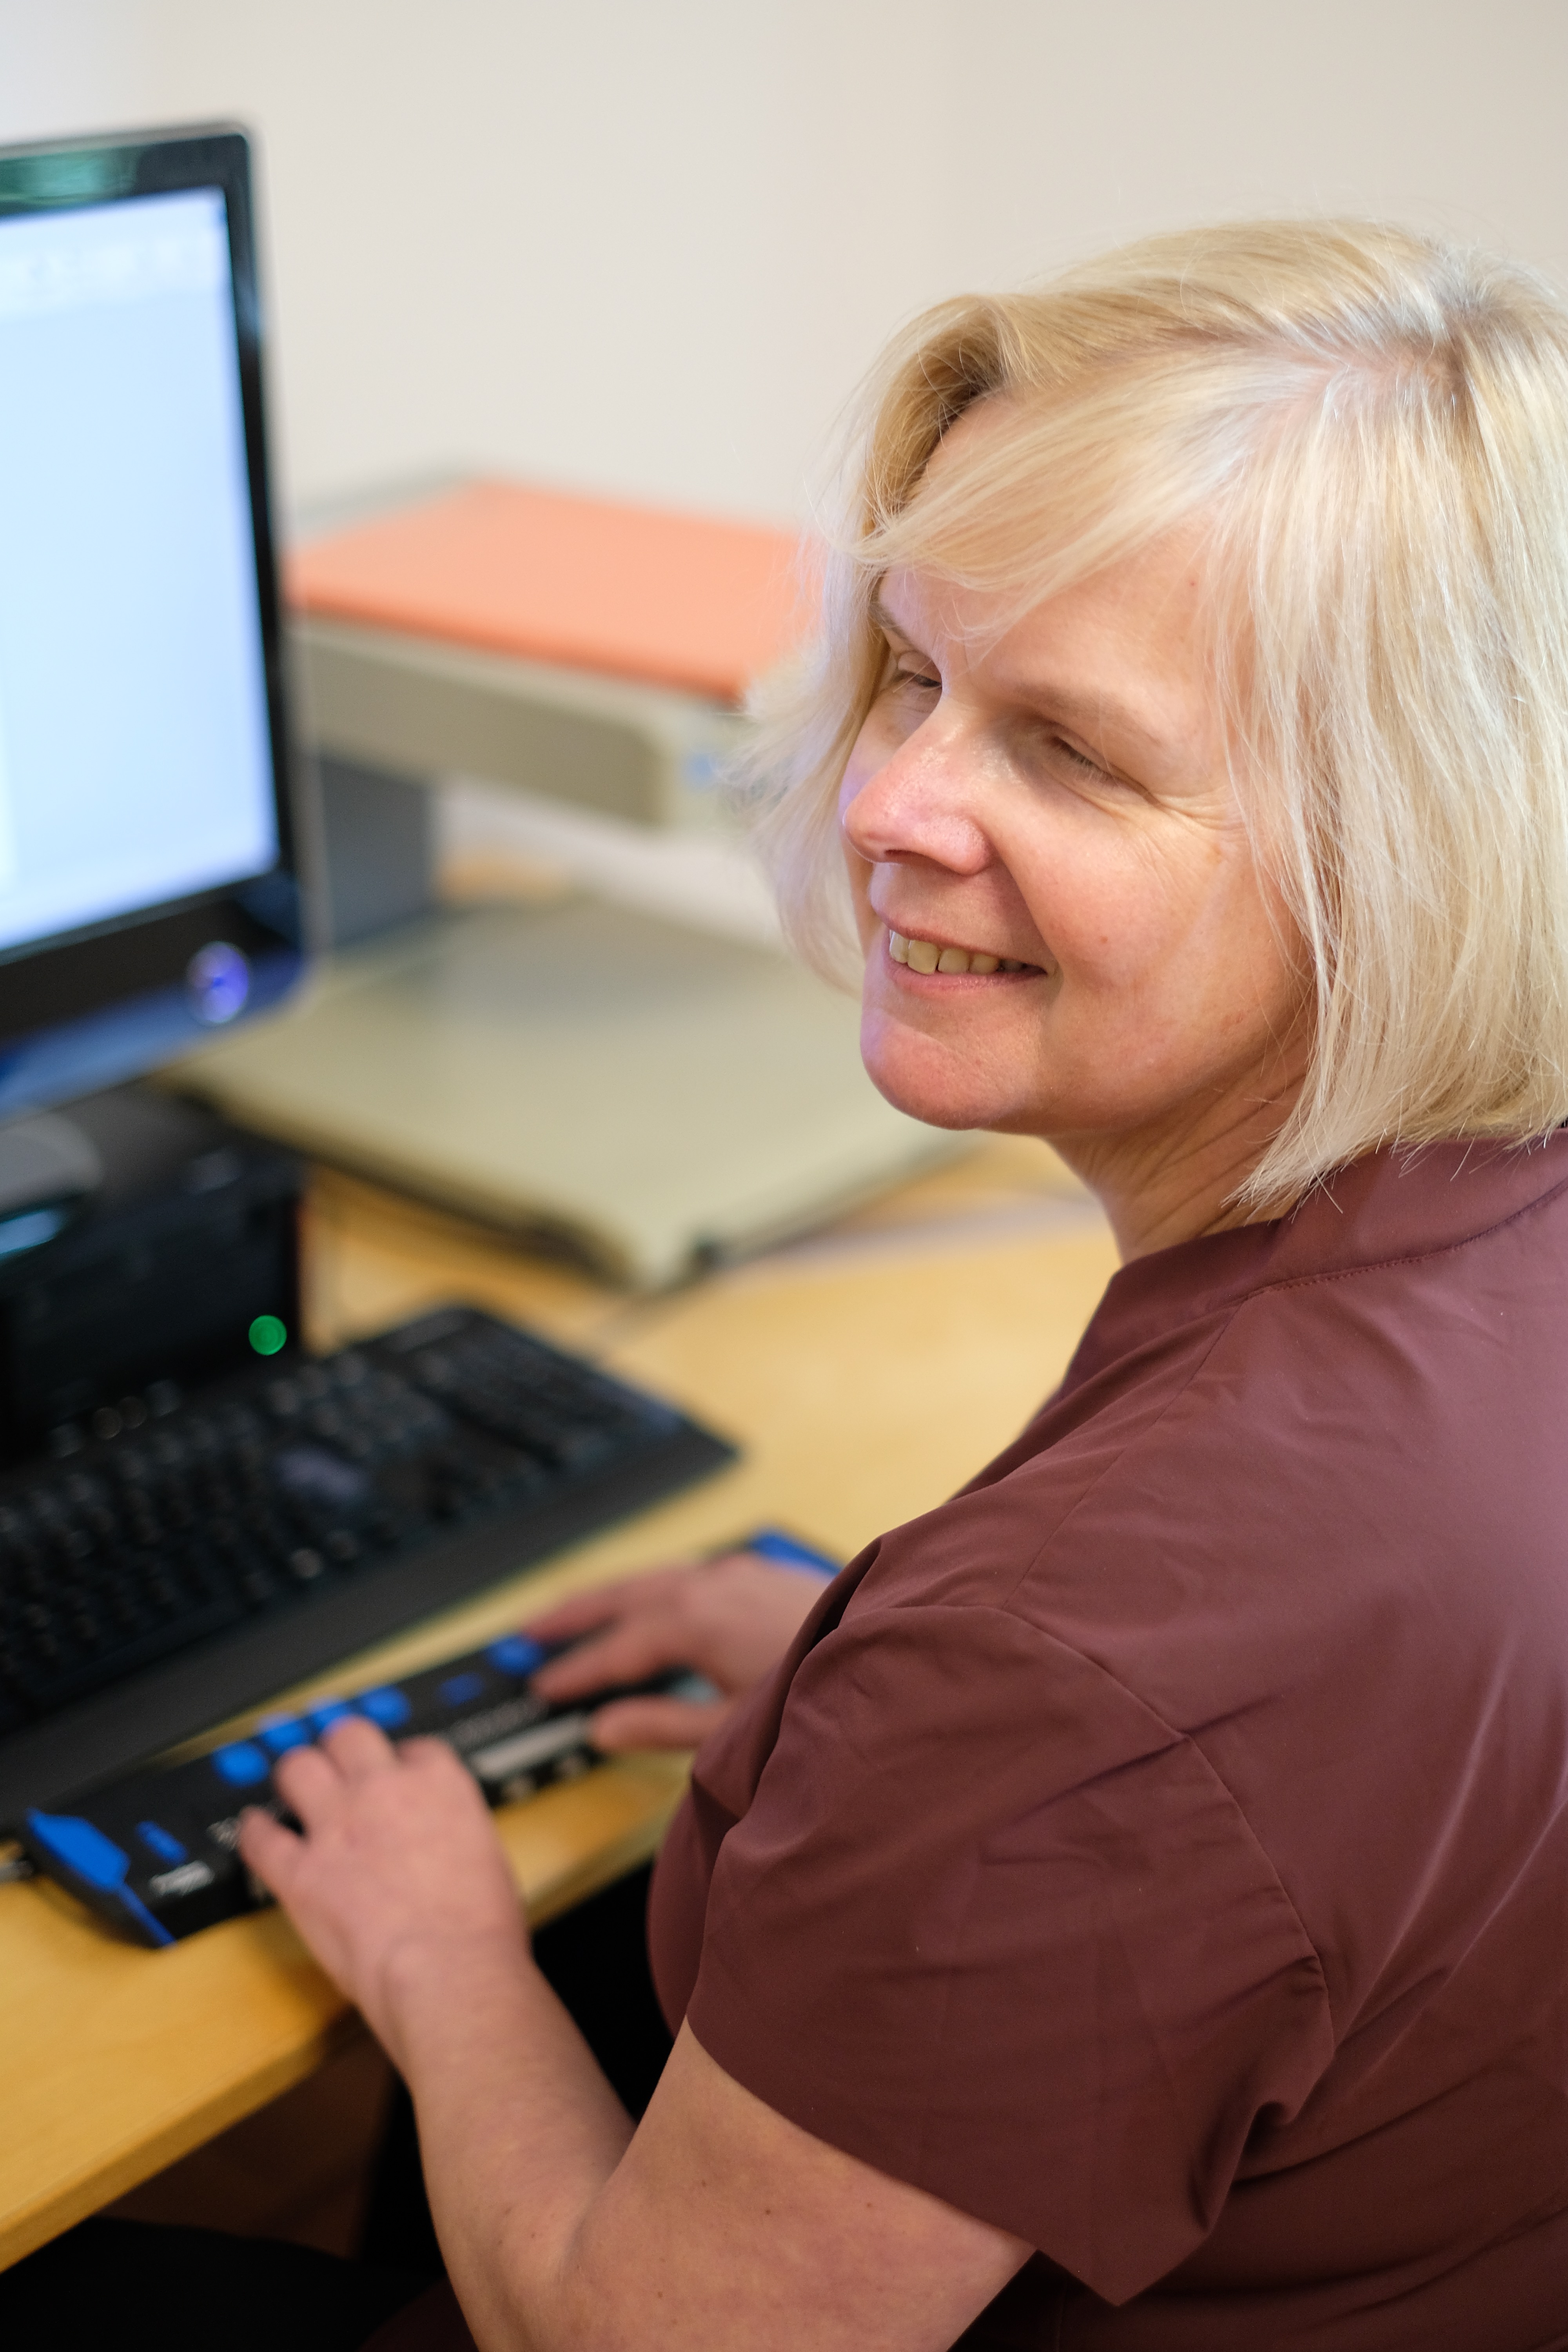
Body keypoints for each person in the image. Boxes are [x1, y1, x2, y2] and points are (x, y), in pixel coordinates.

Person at [15, 214, 1568, 2348]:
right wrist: (895, 1711)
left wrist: (431, 1950)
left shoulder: (1077, 1668)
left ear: (1415, 840)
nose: (887, 790)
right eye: (919, 672)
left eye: (1074, 751)